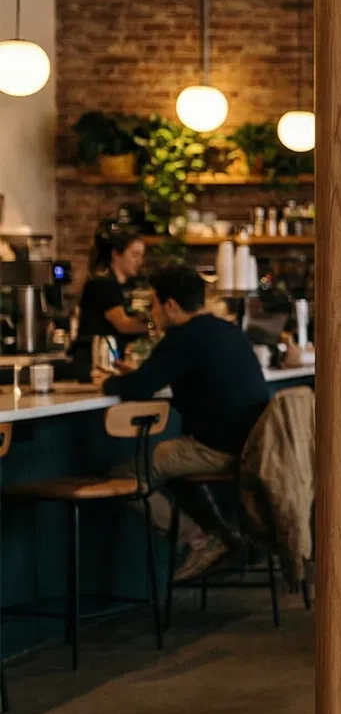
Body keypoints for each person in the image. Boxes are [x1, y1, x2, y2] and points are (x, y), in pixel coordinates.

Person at [104, 264, 272, 580]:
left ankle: (198, 539)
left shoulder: (182, 338)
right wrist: (140, 376)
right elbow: (157, 377)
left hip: (217, 449)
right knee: (174, 470)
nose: (152, 312)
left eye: (153, 303)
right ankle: (220, 533)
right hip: (251, 445)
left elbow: (135, 389)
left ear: (170, 305)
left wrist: (106, 382)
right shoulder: (225, 330)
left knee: (124, 476)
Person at [69, 229, 148, 375]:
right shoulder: (103, 284)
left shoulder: (125, 287)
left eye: (141, 256)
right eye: (134, 255)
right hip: (92, 361)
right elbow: (124, 325)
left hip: (108, 360)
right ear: (116, 254)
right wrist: (156, 325)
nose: (139, 261)